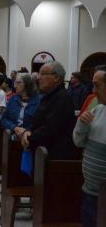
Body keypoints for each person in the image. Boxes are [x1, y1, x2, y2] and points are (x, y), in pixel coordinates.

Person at [20, 61, 76, 160]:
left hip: (55, 157)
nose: (38, 78)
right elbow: (37, 121)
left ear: (56, 77)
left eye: (43, 74)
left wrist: (29, 137)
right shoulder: (49, 96)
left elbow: (50, 128)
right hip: (44, 153)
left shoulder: (62, 98)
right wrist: (28, 131)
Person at [73, 65, 106, 227]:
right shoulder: (98, 110)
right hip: (90, 192)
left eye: (97, 85)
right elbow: (78, 142)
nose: (93, 91)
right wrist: (81, 126)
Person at [1, 73, 41, 139]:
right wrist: (14, 127)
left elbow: (40, 123)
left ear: (27, 84)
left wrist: (26, 131)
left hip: (31, 137)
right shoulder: (13, 99)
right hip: (14, 137)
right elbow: (4, 119)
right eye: (14, 83)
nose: (15, 86)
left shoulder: (39, 100)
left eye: (18, 83)